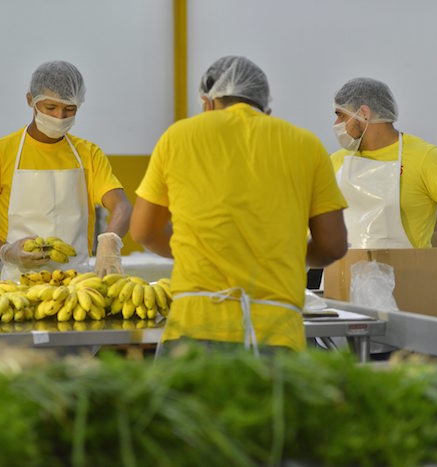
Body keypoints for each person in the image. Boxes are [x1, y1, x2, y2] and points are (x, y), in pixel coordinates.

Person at [130, 56, 348, 356]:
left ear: (208, 102)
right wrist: (281, 252)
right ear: (266, 109)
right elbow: (334, 245)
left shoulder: (179, 136)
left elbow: (142, 230)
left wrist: (202, 250)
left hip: (194, 326)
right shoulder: (306, 145)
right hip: (276, 332)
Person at [0, 61, 132, 281]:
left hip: (76, 282)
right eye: (50, 108)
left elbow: (122, 205)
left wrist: (110, 241)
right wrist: (6, 251)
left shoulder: (88, 154)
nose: (60, 117)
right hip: (18, 283)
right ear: (30, 100)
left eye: (69, 109)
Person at [330, 77, 437, 256]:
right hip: (341, 279)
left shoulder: (424, 157)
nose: (337, 124)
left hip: (407, 279)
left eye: (341, 115)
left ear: (364, 113)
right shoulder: (337, 162)